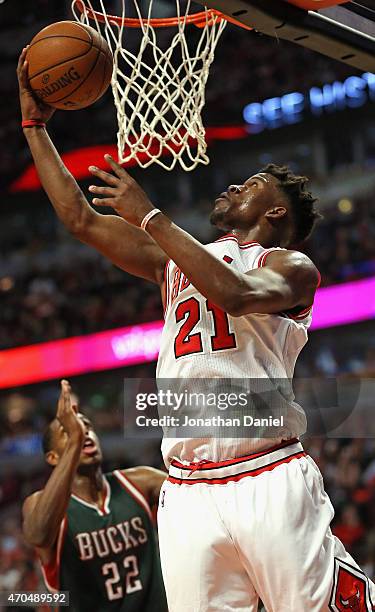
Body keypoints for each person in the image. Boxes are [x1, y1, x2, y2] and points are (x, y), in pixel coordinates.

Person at [18, 48, 375, 611]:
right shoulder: (173, 259)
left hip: (267, 474)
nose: (233, 187)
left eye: (252, 184)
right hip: (186, 491)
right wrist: (34, 126)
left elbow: (234, 294)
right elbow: (79, 218)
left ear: (276, 214)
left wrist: (152, 218)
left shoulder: (289, 267)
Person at [22, 380, 167, 612]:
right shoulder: (38, 504)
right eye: (68, 432)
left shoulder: (139, 482)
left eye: (87, 427)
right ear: (52, 457)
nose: (83, 432)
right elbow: (38, 534)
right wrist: (75, 441)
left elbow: (198, 493)